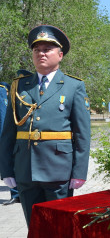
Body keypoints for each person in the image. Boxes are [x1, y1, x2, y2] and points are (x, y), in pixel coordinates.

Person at [0, 25, 91, 226]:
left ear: (60, 55)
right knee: (34, 226)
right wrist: (6, 169)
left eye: (47, 49)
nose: (41, 53)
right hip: (25, 168)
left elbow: (83, 134)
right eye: (37, 50)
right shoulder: (19, 86)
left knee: (60, 226)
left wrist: (79, 172)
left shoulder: (73, 86)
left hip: (59, 170)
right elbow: (8, 132)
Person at [0, 82, 20, 205]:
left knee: (8, 162)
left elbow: (2, 117)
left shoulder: (1, 90)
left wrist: (4, 139)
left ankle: (16, 193)